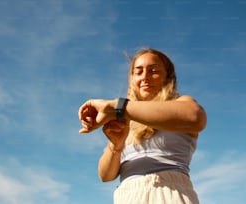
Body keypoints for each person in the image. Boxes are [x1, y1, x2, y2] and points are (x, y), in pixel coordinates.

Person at [78, 48, 207, 204]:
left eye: (153, 71)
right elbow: (105, 176)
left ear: (168, 77)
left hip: (168, 192)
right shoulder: (125, 119)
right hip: (127, 196)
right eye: (138, 72)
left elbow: (195, 117)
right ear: (132, 78)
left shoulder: (180, 104)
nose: (145, 77)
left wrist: (116, 107)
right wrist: (116, 145)